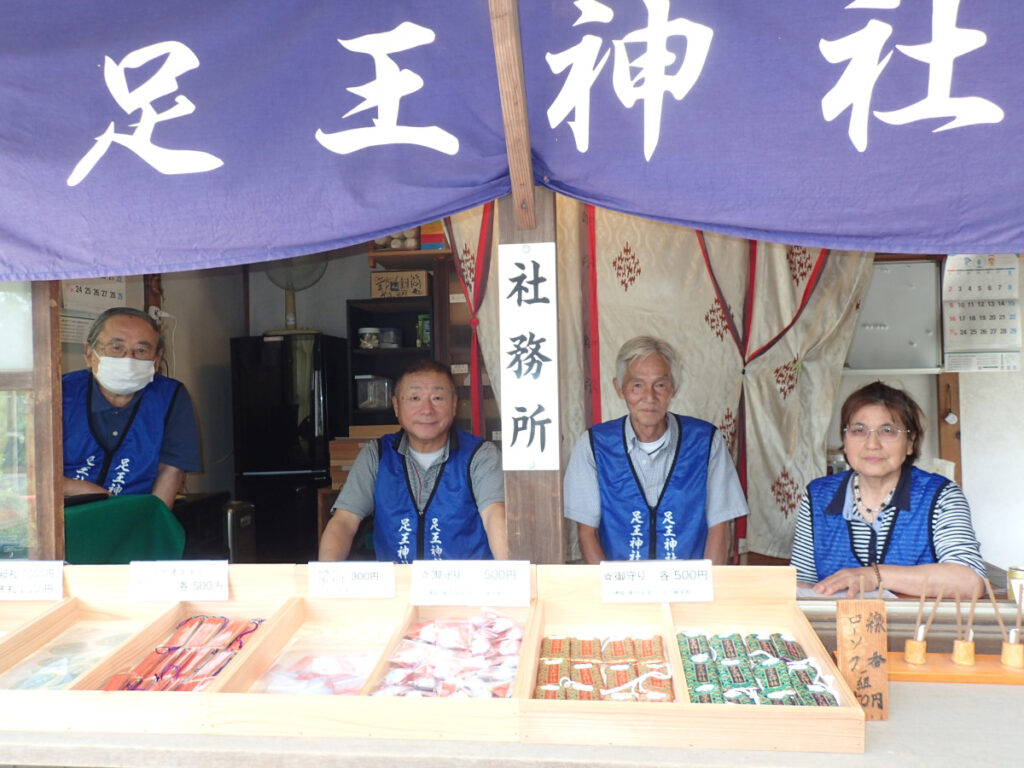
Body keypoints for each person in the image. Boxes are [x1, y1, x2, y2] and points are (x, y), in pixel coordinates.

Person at [791, 381, 985, 598]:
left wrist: (875, 576)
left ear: (910, 443)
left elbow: (969, 581)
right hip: (836, 628)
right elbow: (802, 584)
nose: (872, 444)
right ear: (845, 442)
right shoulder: (818, 496)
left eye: (888, 431)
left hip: (920, 630)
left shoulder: (941, 496)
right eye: (858, 430)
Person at [563, 336, 747, 564]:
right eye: (637, 385)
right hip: (621, 589)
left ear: (674, 388)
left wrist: (706, 592)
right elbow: (586, 532)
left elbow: (719, 526)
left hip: (688, 589)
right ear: (620, 389)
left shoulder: (706, 442)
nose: (649, 397)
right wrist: (610, 593)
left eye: (660, 385)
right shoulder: (593, 446)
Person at [319, 359, 507, 562]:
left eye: (437, 398)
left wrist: (511, 577)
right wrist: (326, 578)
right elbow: (344, 522)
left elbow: (495, 516)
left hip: (464, 588)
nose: (427, 410)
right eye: (415, 398)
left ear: (454, 406)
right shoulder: (377, 454)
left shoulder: (480, 455)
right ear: (397, 406)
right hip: (397, 588)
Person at [62, 307, 200, 511]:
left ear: (157, 359)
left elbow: (171, 470)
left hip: (134, 515)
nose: (128, 359)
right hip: (63, 518)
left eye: (141, 350)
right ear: (89, 354)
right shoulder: (60, 394)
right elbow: (26, 471)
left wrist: (151, 522)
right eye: (116, 348)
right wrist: (87, 491)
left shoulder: (170, 397)